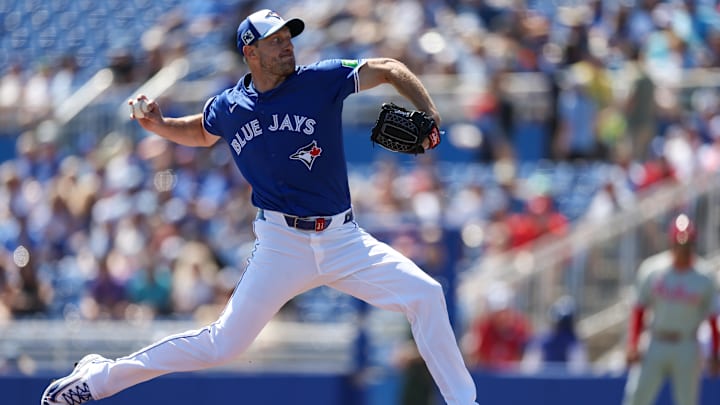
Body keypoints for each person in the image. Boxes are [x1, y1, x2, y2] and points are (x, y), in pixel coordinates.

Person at [41, 9, 478, 405]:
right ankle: (99, 378)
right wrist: (158, 125)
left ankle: (464, 402)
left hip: (344, 238)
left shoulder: (319, 80)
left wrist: (429, 112)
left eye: (289, 37)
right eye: (275, 40)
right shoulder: (231, 106)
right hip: (281, 244)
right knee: (221, 346)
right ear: (250, 51)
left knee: (427, 294)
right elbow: (201, 131)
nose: (287, 44)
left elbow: (388, 68)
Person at [622, 213, 720, 405]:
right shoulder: (653, 269)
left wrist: (715, 353)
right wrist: (633, 343)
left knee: (686, 401)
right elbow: (639, 310)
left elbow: (713, 318)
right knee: (636, 399)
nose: (683, 249)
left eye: (687, 244)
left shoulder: (704, 276)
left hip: (687, 343)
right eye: (679, 243)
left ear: (693, 244)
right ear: (671, 243)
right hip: (655, 341)